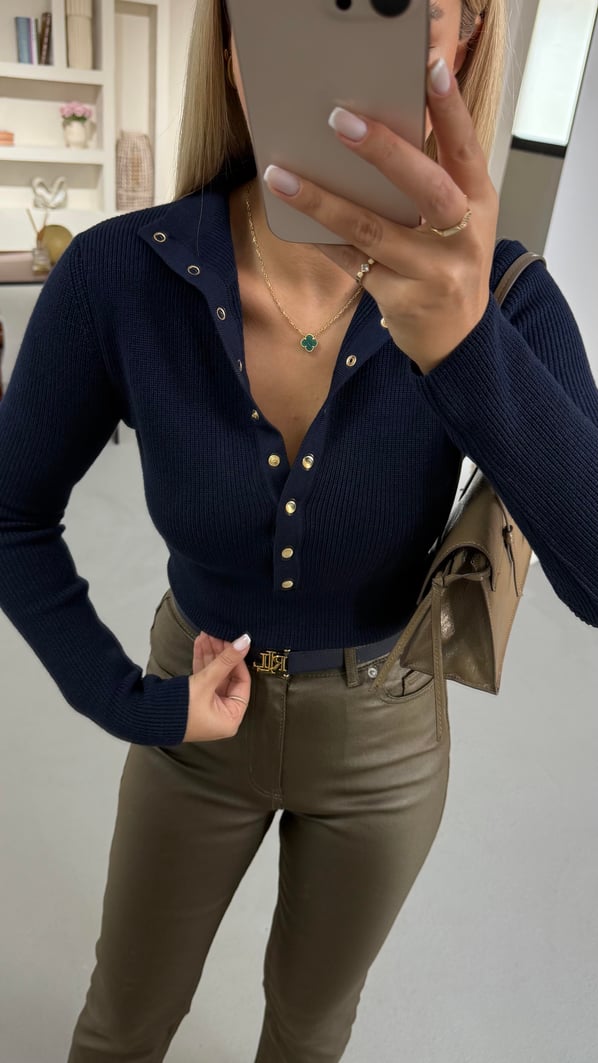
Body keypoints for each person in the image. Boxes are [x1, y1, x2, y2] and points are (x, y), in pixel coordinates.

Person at [1, 0, 597, 1059]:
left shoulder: (506, 299)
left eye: (399, 8)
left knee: (309, 1036)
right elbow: (10, 513)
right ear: (233, 43)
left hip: (387, 739)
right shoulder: (118, 276)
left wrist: (466, 346)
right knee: (120, 1028)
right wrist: (129, 699)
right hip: (193, 712)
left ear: (459, 39)